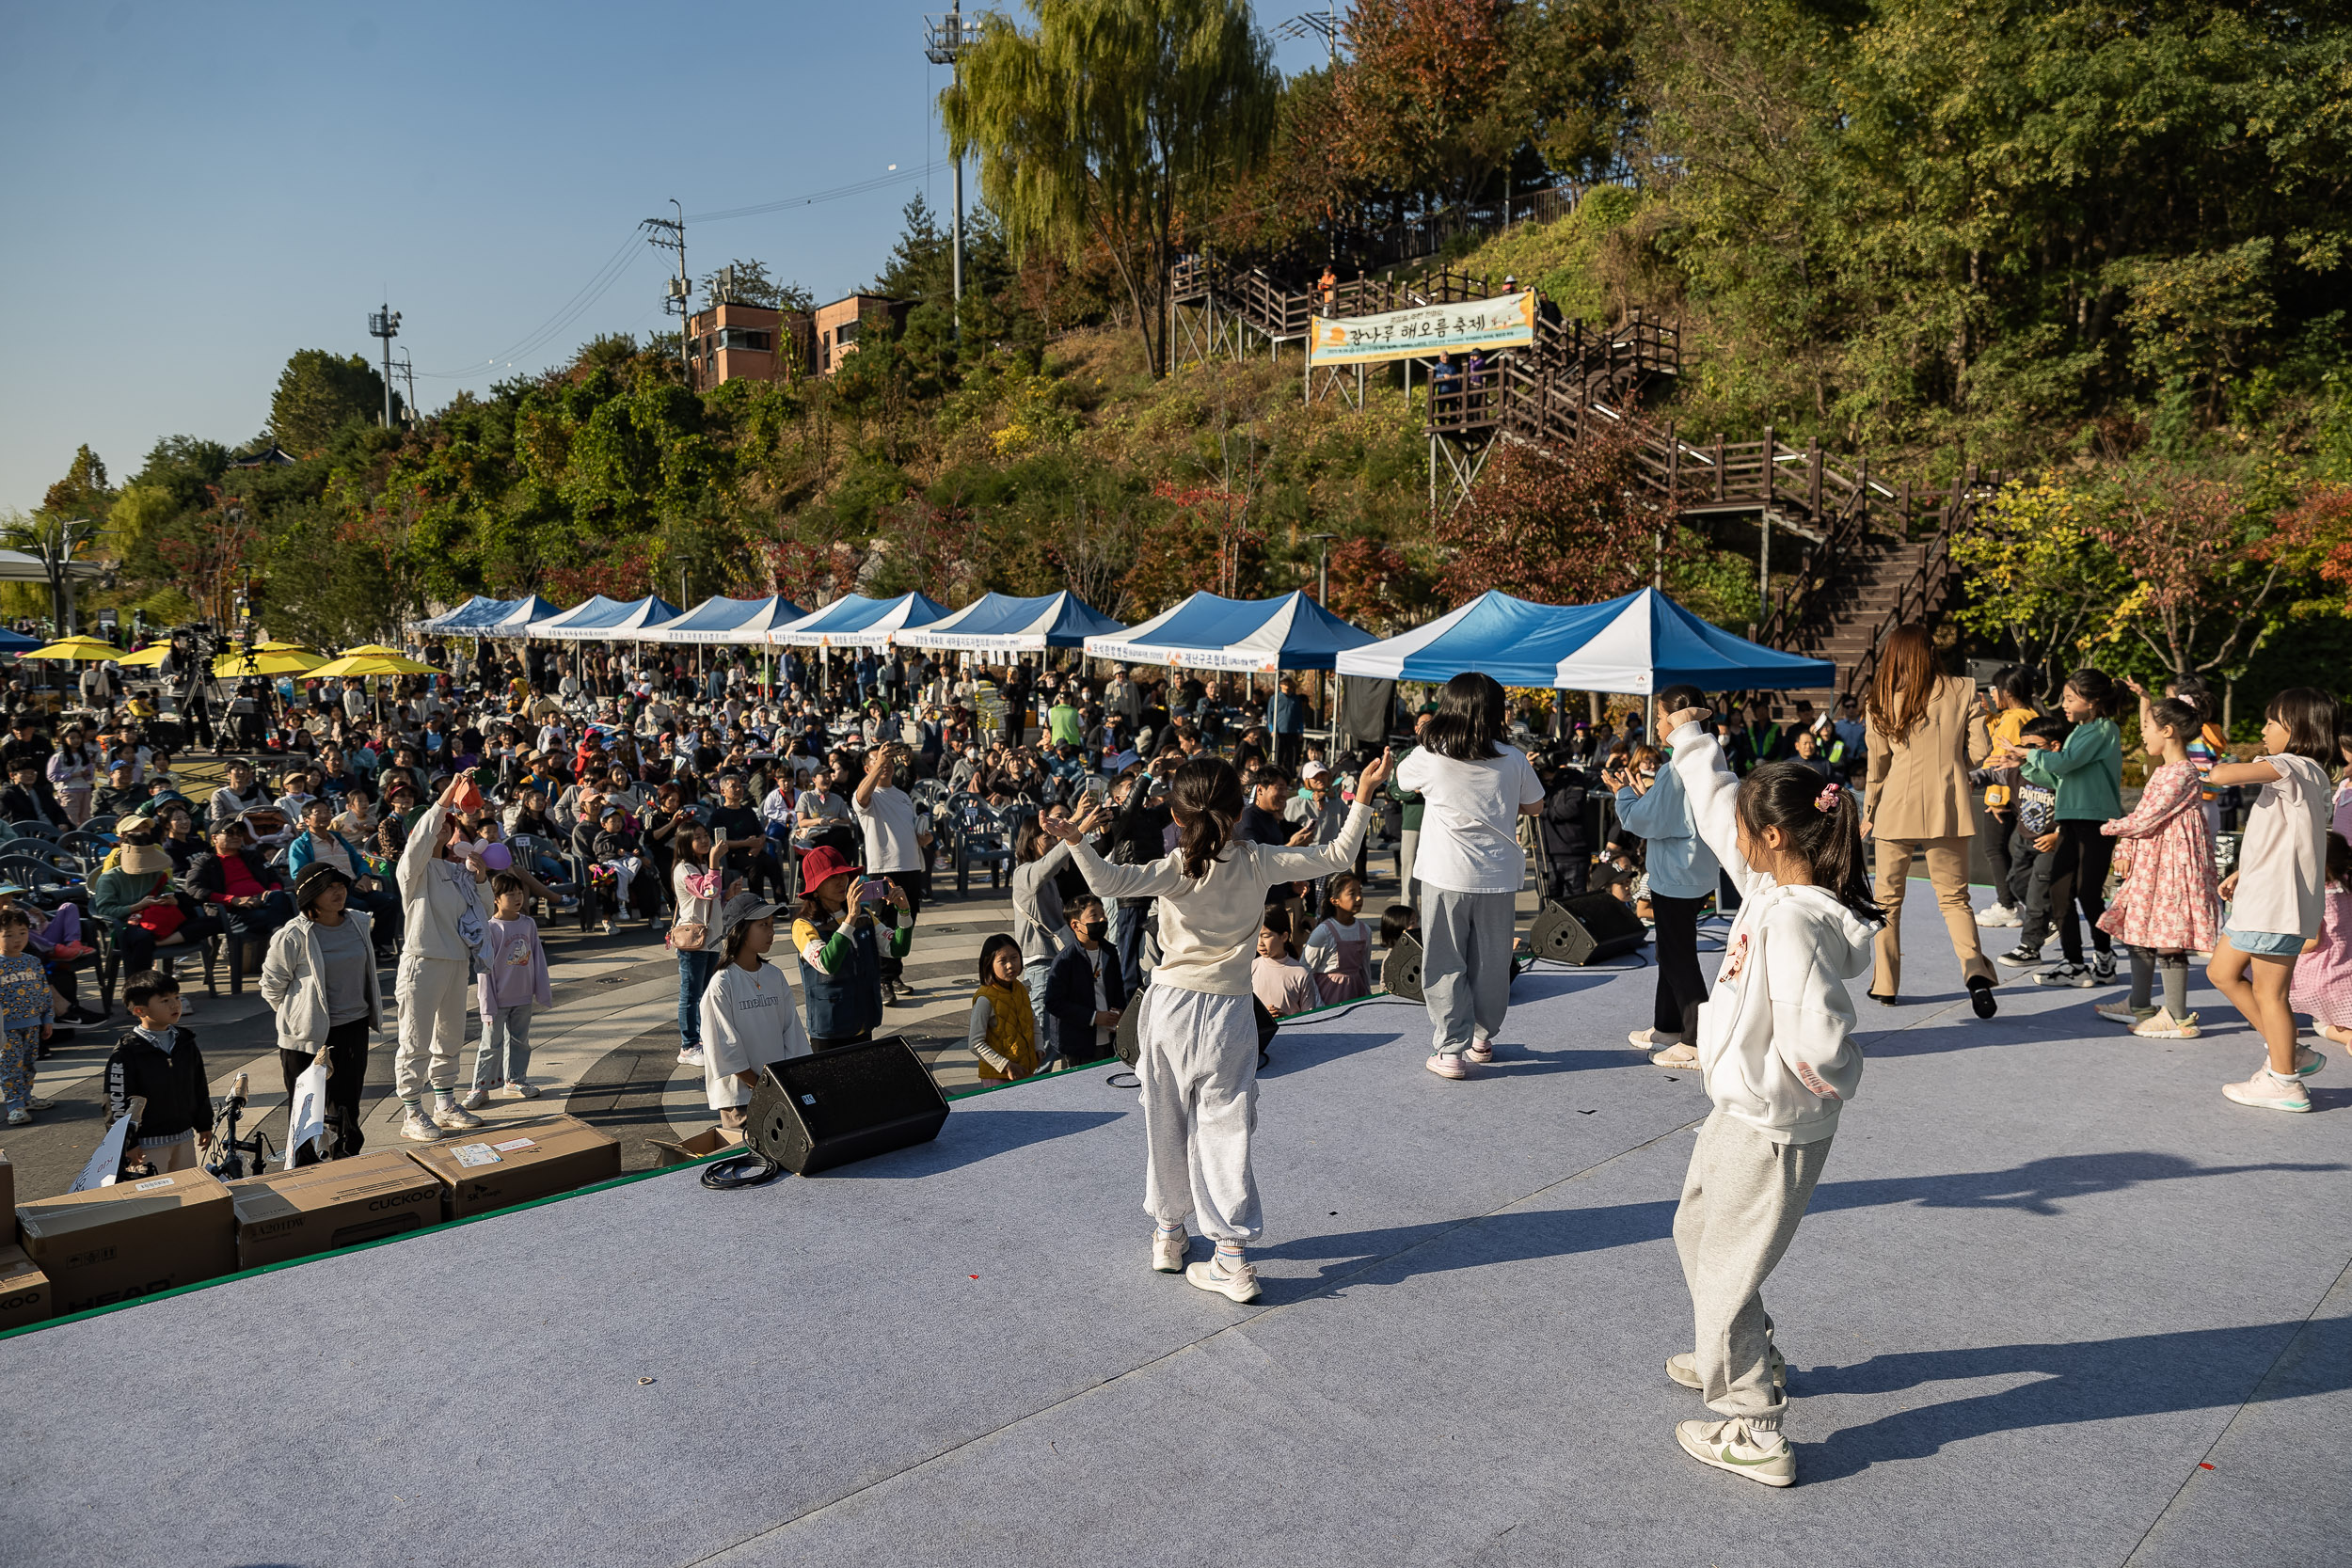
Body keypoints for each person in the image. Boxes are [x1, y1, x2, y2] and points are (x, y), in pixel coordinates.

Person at [1040, 746, 1393, 1305]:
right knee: (1226, 1130)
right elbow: (1339, 852)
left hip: (1170, 1008)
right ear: (1240, 804)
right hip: (1229, 1012)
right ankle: (1229, 1255)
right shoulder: (1258, 860)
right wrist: (1363, 796)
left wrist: (1075, 840)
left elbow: (1107, 884)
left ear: (1177, 816)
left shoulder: (1178, 867)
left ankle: (1169, 1234)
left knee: (1165, 1121)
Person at [1657, 705, 1882, 1489]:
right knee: (1696, 1228)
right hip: (1745, 1108)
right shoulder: (1775, 888)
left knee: (1725, 1262)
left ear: (1777, 837)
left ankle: (1752, 1424)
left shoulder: (1789, 921)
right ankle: (1737, 1340)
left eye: (1753, 827)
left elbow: (1818, 1036)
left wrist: (1818, 1082)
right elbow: (1724, 813)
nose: (1736, 839)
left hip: (1774, 1118)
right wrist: (1691, 741)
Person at [1396, 673, 1544, 1079]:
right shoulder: (1512, 757)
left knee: (1445, 960)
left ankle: (1450, 1050)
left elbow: (1402, 781)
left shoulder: (1433, 752)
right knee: (1492, 962)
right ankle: (1482, 1038)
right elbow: (1535, 806)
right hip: (1497, 874)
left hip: (1445, 872)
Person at [2205, 688, 2338, 1113]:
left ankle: (2284, 1081)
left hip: (2275, 904)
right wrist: (2244, 872)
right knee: (2222, 971)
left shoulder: (2290, 765)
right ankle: (2288, 1052)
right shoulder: (2311, 774)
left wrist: (2208, 764)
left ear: (2296, 729)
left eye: (2271, 722)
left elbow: (2223, 777)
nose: (2263, 730)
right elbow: (2294, 840)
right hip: (2266, 897)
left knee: (2270, 994)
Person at [1859, 623, 1997, 1015]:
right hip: (1948, 806)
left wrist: (1868, 812)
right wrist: (1953, 768)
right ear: (1931, 650)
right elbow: (1981, 750)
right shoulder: (1965, 689)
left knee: (1886, 901)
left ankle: (1885, 984)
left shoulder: (1881, 700)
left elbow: (1877, 766)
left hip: (1894, 808)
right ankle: (1975, 972)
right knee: (1955, 899)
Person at [2090, 698, 2220, 1038]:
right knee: (2140, 927)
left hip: (2173, 867)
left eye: (2147, 727)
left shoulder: (2184, 773)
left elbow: (2149, 816)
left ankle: (2177, 1016)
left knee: (2169, 937)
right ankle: (2141, 1003)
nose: (2143, 734)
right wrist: (2127, 845)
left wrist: (2110, 828)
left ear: (2167, 731)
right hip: (2153, 864)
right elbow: (2147, 817)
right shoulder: (2163, 771)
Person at [1612, 688, 1723, 1066]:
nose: (1657, 724)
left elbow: (1646, 821)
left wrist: (1625, 795)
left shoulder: (1676, 767)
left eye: (1660, 717)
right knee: (1670, 950)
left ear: (1677, 721)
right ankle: (1668, 1026)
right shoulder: (1708, 756)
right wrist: (1647, 794)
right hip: (1694, 871)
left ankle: (1694, 1040)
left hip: (1677, 873)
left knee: (1678, 955)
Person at [258, 863, 382, 1164]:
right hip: (307, 1035)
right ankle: (303, 1166)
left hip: (353, 1026)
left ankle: (345, 1158)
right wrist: (299, 1017)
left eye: (340, 885)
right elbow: (272, 985)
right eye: (329, 887)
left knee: (347, 1106)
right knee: (306, 1108)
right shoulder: (293, 935)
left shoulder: (358, 922)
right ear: (311, 895)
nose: (338, 892)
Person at [2007, 669, 2123, 990]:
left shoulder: (2104, 729)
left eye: (2071, 698)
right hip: (2071, 820)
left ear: (2093, 700)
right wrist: (2025, 764)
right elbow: (2058, 776)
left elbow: (2065, 763)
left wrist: (2029, 752)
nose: (2065, 704)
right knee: (2059, 891)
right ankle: (2074, 963)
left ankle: (2104, 958)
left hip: (2095, 822)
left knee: (2088, 893)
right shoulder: (2079, 731)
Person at [392, 777, 492, 1143]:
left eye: (449, 827)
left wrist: (481, 879)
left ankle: (445, 1103)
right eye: (441, 826)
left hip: (456, 961)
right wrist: (446, 798)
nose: (445, 832)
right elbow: (419, 841)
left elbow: (483, 912)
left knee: (449, 1037)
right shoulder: (412, 871)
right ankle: (411, 1111)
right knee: (415, 1039)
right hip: (422, 960)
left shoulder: (456, 870)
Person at [700, 893, 811, 1129]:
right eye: (763, 925)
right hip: (740, 1099)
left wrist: (790, 1080)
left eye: (771, 925)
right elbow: (724, 1047)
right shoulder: (722, 983)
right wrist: (760, 1085)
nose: (771, 932)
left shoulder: (774, 975)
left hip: (779, 1090)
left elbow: (791, 1031)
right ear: (739, 931)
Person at [791, 844, 912, 1050]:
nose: (841, 881)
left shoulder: (865, 916)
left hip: (865, 1021)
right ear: (816, 889)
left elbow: (897, 949)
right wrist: (850, 919)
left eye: (844, 875)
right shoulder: (803, 925)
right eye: (831, 877)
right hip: (830, 1028)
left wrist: (904, 912)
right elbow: (826, 963)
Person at [102, 969, 206, 1167]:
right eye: (165, 1001)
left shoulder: (185, 1041)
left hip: (184, 1136)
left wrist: (204, 1124)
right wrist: (127, 1143)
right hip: (146, 1144)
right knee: (156, 1194)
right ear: (140, 1011)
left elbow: (199, 1085)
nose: (175, 1004)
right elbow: (115, 1101)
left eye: (176, 997)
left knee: (189, 1189)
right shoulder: (127, 1051)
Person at [466, 871, 551, 1108]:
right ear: (496, 898)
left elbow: (538, 959)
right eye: (510, 894)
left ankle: (515, 1080)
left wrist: (541, 990)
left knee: (520, 1041)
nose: (517, 898)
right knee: (490, 1044)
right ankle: (480, 1088)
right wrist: (487, 1005)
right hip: (498, 999)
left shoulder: (528, 923)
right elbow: (484, 970)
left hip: (522, 997)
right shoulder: (491, 928)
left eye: (519, 893)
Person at [852, 742, 929, 1003]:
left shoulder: (902, 795)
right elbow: (861, 799)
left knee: (905, 923)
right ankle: (882, 980)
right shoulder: (867, 794)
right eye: (878, 761)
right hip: (883, 871)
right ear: (867, 767)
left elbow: (906, 831)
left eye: (888, 761)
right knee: (882, 924)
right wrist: (878, 764)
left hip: (910, 867)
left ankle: (894, 975)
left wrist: (922, 839)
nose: (885, 765)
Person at [287, 796, 401, 961]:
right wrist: (326, 886)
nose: (325, 815)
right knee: (358, 906)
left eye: (327, 811)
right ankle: (358, 949)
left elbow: (358, 860)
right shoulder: (301, 845)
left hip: (353, 886)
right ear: (307, 819)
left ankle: (377, 945)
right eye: (318, 812)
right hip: (327, 891)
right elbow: (299, 873)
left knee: (390, 901)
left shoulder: (337, 838)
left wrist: (365, 876)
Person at [1971, 667, 2041, 928]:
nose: (1992, 694)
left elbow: (2003, 761)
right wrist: (1988, 713)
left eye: (1994, 689)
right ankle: (2011, 901)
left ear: (2007, 692)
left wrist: (1996, 800)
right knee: (2006, 851)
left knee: (1994, 849)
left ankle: (2007, 905)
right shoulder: (2024, 715)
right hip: (2021, 793)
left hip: (2003, 794)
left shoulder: (2013, 719)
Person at [670, 822, 729, 1069]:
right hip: (693, 941)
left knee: (706, 993)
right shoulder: (684, 869)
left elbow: (712, 898)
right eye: (698, 837)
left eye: (706, 835)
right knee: (691, 994)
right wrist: (715, 862)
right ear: (685, 842)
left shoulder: (701, 865)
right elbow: (707, 890)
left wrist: (729, 894)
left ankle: (702, 1039)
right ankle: (688, 1045)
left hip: (710, 938)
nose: (705, 841)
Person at [1011, 816, 1077, 1036]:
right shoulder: (1025, 873)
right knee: (1043, 1031)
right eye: (1046, 837)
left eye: (1054, 837)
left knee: (1055, 1031)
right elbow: (1050, 863)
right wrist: (1074, 836)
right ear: (1031, 843)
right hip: (1039, 963)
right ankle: (1040, 1072)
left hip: (1054, 958)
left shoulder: (1045, 876)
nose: (1052, 842)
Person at [1046, 895, 1127, 1066]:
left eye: (1103, 913)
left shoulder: (1110, 953)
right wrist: (1093, 1017)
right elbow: (1054, 1002)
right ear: (1076, 925)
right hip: (1078, 1043)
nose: (1102, 919)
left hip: (1109, 1038)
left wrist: (1120, 1012)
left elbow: (1119, 989)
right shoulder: (1065, 960)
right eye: (1094, 915)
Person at [2291, 832, 2352, 1051]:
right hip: (2346, 965)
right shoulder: (2346, 888)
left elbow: (2312, 942)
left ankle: (2283, 1024)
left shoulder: (2318, 897)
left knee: (2321, 1025)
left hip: (2322, 972)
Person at [0, 907, 55, 1127]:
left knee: (29, 1063)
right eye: (8, 934)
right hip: (6, 1027)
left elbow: (44, 991)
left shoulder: (32, 962)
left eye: (22, 932)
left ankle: (27, 1097)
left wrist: (47, 1019)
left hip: (32, 1022)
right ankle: (14, 1105)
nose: (17, 939)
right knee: (9, 1066)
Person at [968, 933, 1041, 1084]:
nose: (1010, 965)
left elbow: (1032, 1021)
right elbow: (975, 1043)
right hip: (998, 1077)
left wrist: (1039, 1048)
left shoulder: (1020, 989)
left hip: (1024, 1070)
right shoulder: (984, 999)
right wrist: (1006, 1066)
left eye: (1014, 958)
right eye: (1002, 961)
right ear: (989, 964)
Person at [1300, 872, 1373, 1005]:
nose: (1358, 898)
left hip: (1355, 994)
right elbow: (1306, 970)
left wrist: (1368, 997)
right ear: (1335, 901)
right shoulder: (1324, 932)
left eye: (1360, 892)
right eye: (1352, 893)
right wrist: (1317, 1004)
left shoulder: (1364, 931)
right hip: (1328, 997)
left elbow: (1365, 968)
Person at [1252, 910, 1318, 1018]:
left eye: (1266, 936)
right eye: (1257, 935)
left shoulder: (1301, 973)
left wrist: (1285, 1017)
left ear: (1284, 937)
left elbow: (1309, 1018)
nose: (1260, 943)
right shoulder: (1251, 968)